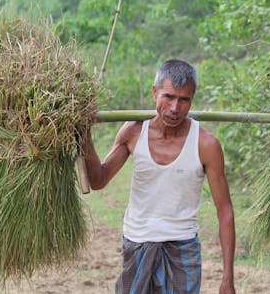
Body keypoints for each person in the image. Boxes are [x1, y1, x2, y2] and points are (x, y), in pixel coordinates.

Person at [83, 59, 236, 294]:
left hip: (181, 248)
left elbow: (224, 211)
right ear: (155, 92)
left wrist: (227, 278)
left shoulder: (206, 145)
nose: (175, 108)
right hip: (137, 242)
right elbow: (98, 180)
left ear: (192, 99)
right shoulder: (134, 131)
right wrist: (84, 134)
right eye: (168, 97)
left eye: (184, 100)